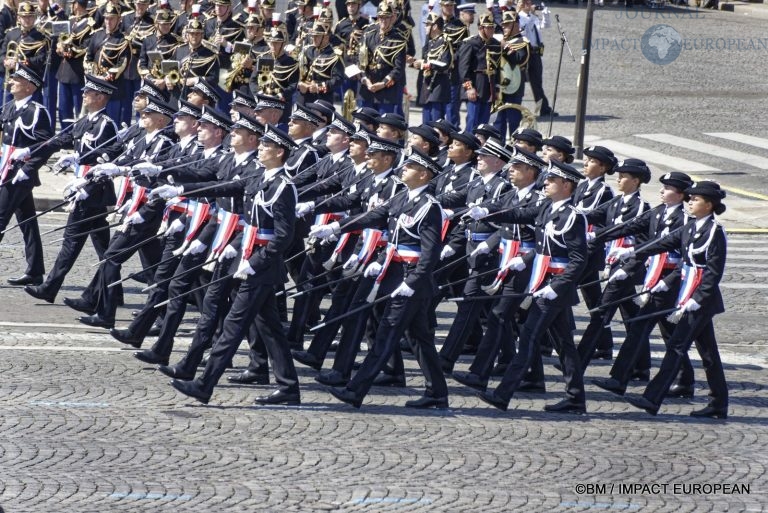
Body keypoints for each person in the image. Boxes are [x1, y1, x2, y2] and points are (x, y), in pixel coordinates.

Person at [169, 124, 302, 406]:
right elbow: (226, 186)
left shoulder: (283, 187)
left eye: (266, 146)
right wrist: (181, 189)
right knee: (270, 329)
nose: (261, 149)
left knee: (233, 325)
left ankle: (205, 384)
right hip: (249, 260)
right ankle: (289, 386)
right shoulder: (260, 177)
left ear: (279, 152)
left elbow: (283, 236)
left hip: (261, 267)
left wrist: (255, 263)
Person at [312, 146, 449, 409]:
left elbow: (430, 254)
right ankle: (437, 392)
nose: (403, 169)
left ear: (423, 175)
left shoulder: (429, 207)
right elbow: (372, 216)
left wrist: (412, 283)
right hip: (395, 274)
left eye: (409, 167)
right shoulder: (403, 197)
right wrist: (335, 226)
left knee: (387, 333)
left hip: (411, 280)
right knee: (419, 338)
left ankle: (355, 390)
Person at [470, 159, 588, 413]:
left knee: (528, 336)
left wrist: (557, 286)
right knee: (564, 344)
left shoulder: (572, 217)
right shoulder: (547, 206)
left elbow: (579, 260)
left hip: (555, 288)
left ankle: (503, 395)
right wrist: (488, 213)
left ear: (566, 185)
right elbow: (520, 214)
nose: (546, 182)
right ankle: (576, 397)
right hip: (544, 282)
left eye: (552, 180)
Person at [621, 181, 728, 419]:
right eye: (689, 199)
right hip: (688, 294)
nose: (689, 202)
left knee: (676, 346)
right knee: (709, 354)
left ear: (709, 205)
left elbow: (713, 272)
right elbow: (661, 243)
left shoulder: (714, 232)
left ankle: (652, 398)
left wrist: (697, 299)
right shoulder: (690, 228)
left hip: (701, 300)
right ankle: (719, 403)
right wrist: (633, 252)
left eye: (695, 200)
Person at [592, 171, 695, 397]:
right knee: (670, 333)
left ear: (680, 195)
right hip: (654, 279)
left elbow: (686, 261)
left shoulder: (685, 221)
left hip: (669, 283)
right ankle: (685, 380)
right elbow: (627, 227)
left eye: (667, 188)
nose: (661, 191)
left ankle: (619, 379)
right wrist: (598, 235)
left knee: (640, 328)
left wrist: (667, 282)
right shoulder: (658, 212)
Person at [452, 147, 546, 392]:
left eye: (516, 168)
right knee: (510, 321)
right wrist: (484, 240)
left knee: (500, 317)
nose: (510, 171)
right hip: (506, 263)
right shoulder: (513, 194)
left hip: (525, 267)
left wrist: (524, 259)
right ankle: (534, 376)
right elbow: (500, 221)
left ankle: (478, 374)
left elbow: (526, 222)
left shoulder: (538, 199)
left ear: (530, 171)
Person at [23, 75, 121, 304]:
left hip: (92, 191)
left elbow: (107, 159)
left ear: (101, 97)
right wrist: (30, 151)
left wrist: (85, 180)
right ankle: (114, 292)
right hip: (84, 189)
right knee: (103, 246)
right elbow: (58, 140)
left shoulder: (105, 124)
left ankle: (49, 287)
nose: (84, 95)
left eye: (89, 93)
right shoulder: (84, 121)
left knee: (71, 241)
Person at [437, 138, 512, 372]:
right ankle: (512, 358)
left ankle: (446, 359)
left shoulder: (503, 187)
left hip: (490, 256)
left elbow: (507, 225)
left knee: (469, 304)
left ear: (498, 161)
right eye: (478, 155)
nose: (478, 158)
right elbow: (464, 215)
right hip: (470, 251)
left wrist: (489, 244)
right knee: (493, 312)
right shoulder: (476, 184)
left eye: (484, 156)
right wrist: (454, 242)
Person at [0, 65, 52, 286]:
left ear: (29, 86)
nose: (12, 81)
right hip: (6, 169)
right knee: (28, 222)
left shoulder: (37, 111)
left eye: (17, 79)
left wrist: (28, 169)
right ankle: (35, 270)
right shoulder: (9, 106)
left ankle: (35, 270)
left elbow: (46, 144)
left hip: (19, 174)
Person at [357, 2, 407, 114]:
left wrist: (383, 83)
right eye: (381, 17)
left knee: (383, 127)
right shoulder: (368, 35)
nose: (383, 20)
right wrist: (366, 80)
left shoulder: (398, 39)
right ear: (378, 18)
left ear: (391, 18)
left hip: (386, 93)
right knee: (365, 126)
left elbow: (398, 69)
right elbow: (360, 61)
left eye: (387, 17)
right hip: (367, 89)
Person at [458, 13, 500, 132]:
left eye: (493, 27)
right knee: (472, 120)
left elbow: (497, 68)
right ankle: (468, 145)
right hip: (475, 86)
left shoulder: (495, 44)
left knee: (484, 124)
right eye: (489, 27)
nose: (492, 30)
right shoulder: (470, 43)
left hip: (489, 87)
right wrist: (469, 87)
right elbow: (463, 68)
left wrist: (496, 89)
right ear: (481, 28)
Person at [410, 12, 452, 124]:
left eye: (428, 24)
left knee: (436, 123)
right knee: (426, 123)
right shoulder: (429, 43)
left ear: (434, 26)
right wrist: (413, 62)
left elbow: (445, 64)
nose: (425, 27)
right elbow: (425, 62)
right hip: (427, 85)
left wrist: (424, 64)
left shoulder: (445, 42)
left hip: (439, 87)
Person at [516, 0, 556, 117]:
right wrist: (529, 14)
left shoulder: (533, 18)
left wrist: (545, 12)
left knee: (537, 83)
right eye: (526, 3)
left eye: (530, 3)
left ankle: (544, 108)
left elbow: (546, 25)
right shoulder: (519, 17)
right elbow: (523, 31)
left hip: (536, 53)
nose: (529, 5)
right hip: (525, 52)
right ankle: (517, 108)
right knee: (520, 82)